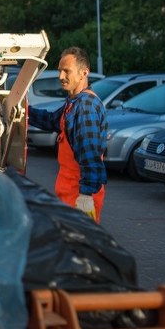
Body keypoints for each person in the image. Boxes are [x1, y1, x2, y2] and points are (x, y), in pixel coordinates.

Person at [28, 46, 107, 222]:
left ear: (83, 73)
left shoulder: (86, 107)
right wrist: (23, 110)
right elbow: (50, 120)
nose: (61, 77)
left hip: (79, 195)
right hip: (69, 192)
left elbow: (90, 154)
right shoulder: (74, 103)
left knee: (80, 246)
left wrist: (86, 195)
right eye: (59, 71)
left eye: (66, 71)